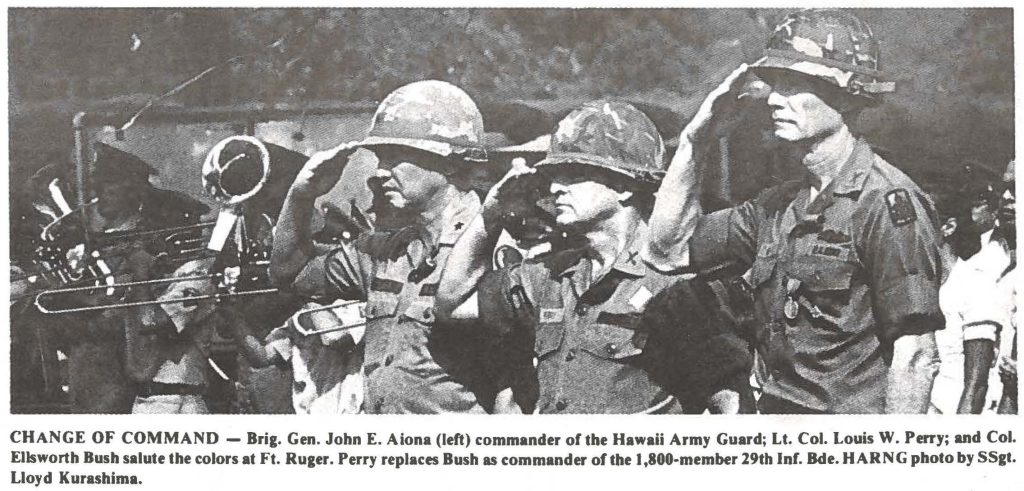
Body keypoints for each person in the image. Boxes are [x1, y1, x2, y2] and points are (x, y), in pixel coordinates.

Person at [645, 9, 943, 414]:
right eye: (773, 84)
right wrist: (696, 143)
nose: (773, 99)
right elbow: (667, 250)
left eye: (794, 84)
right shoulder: (778, 206)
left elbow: (916, 356)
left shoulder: (885, 202)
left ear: (847, 93)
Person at [437, 101, 754, 414]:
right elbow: (452, 303)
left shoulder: (675, 283)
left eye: (573, 175)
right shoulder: (549, 273)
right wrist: (490, 215)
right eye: (555, 175)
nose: (555, 187)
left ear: (624, 187)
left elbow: (728, 403)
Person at [271, 80, 495, 414]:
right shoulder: (386, 252)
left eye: (397, 156)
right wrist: (301, 196)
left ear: (450, 162)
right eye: (380, 158)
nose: (379, 172)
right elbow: (290, 272)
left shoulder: (495, 246)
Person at [224, 300, 365, 414]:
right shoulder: (299, 316)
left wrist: (308, 299)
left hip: (349, 410)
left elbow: (335, 338)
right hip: (312, 411)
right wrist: (232, 315)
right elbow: (263, 357)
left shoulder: (352, 306)